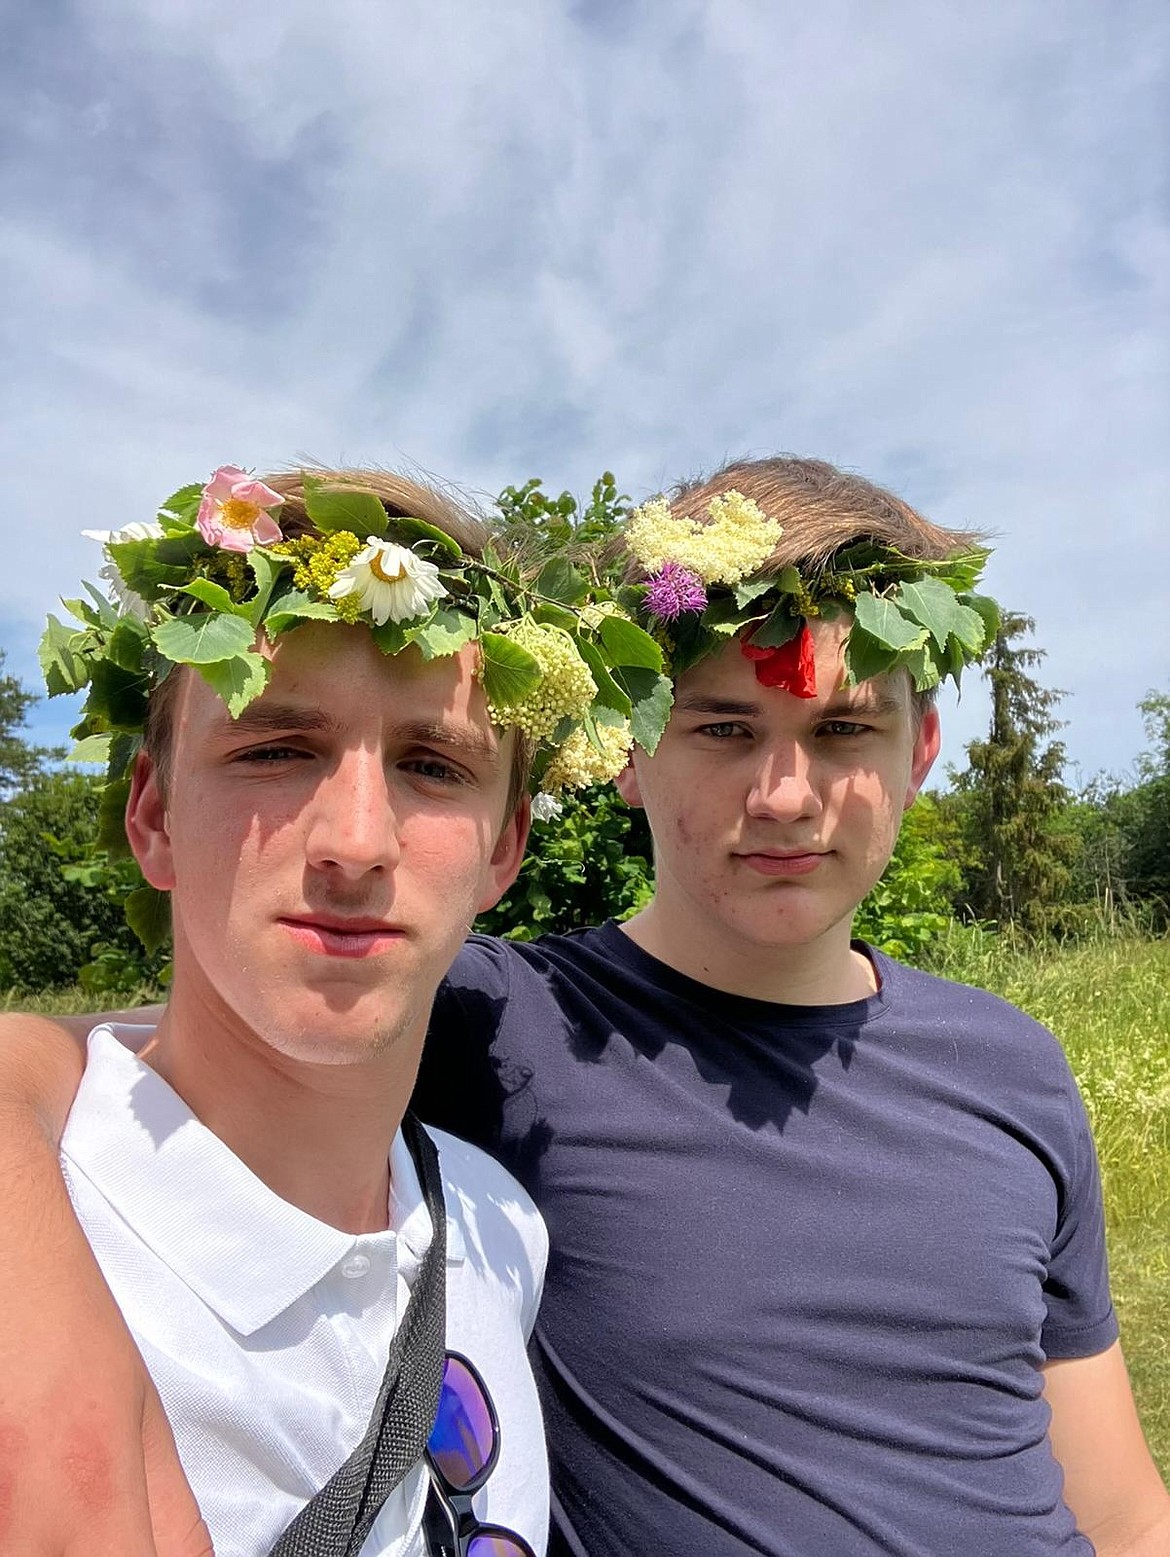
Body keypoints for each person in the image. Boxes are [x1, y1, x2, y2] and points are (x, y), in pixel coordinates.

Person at [2, 457, 1168, 1556]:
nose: (784, 794)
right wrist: (58, 1390)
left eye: (844, 729)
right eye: (722, 727)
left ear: (920, 755)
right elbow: (149, 1051)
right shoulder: (502, 1023)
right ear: (628, 751)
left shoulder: (1012, 1062)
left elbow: (1115, 1500)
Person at [4, 461, 648, 1557]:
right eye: (276, 749)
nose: (356, 844)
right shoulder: (57, 1233)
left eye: (434, 765)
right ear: (152, 818)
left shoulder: (499, 1223)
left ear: (507, 847)